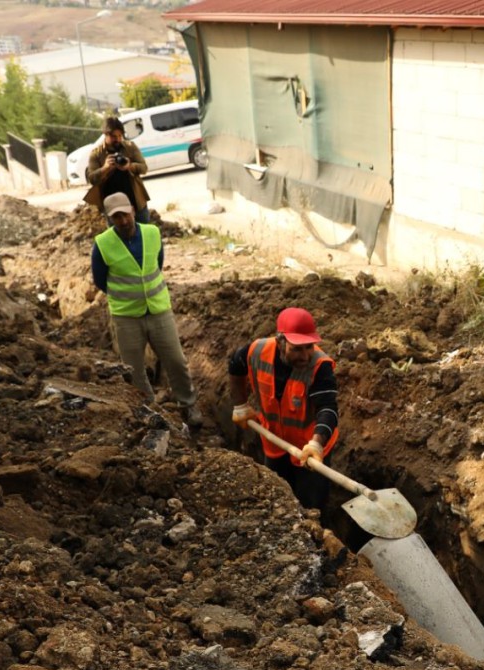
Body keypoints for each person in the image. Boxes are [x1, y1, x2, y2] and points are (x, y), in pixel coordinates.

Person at [90, 192, 201, 427]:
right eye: (116, 217)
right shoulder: (102, 244)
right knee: (133, 370)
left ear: (133, 210)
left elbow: (157, 265)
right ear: (109, 219)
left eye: (125, 214)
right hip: (126, 316)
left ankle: (188, 405)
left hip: (158, 310)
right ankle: (148, 410)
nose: (123, 221)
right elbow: (100, 280)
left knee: (176, 360)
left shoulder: (152, 233)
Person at [228, 308, 339, 510]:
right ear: (280, 341)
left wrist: (316, 443)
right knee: (277, 500)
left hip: (309, 449)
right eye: (297, 349)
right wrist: (240, 404)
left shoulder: (320, 366)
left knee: (311, 507)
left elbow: (328, 408)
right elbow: (236, 364)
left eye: (309, 347)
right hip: (274, 442)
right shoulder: (257, 351)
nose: (305, 355)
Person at [84, 116, 151, 223]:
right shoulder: (96, 154)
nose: (118, 139)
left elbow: (144, 168)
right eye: (114, 137)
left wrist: (129, 166)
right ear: (105, 134)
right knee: (117, 233)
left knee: (144, 229)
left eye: (120, 136)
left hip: (135, 201)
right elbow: (92, 178)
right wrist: (105, 168)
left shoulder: (130, 147)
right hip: (112, 205)